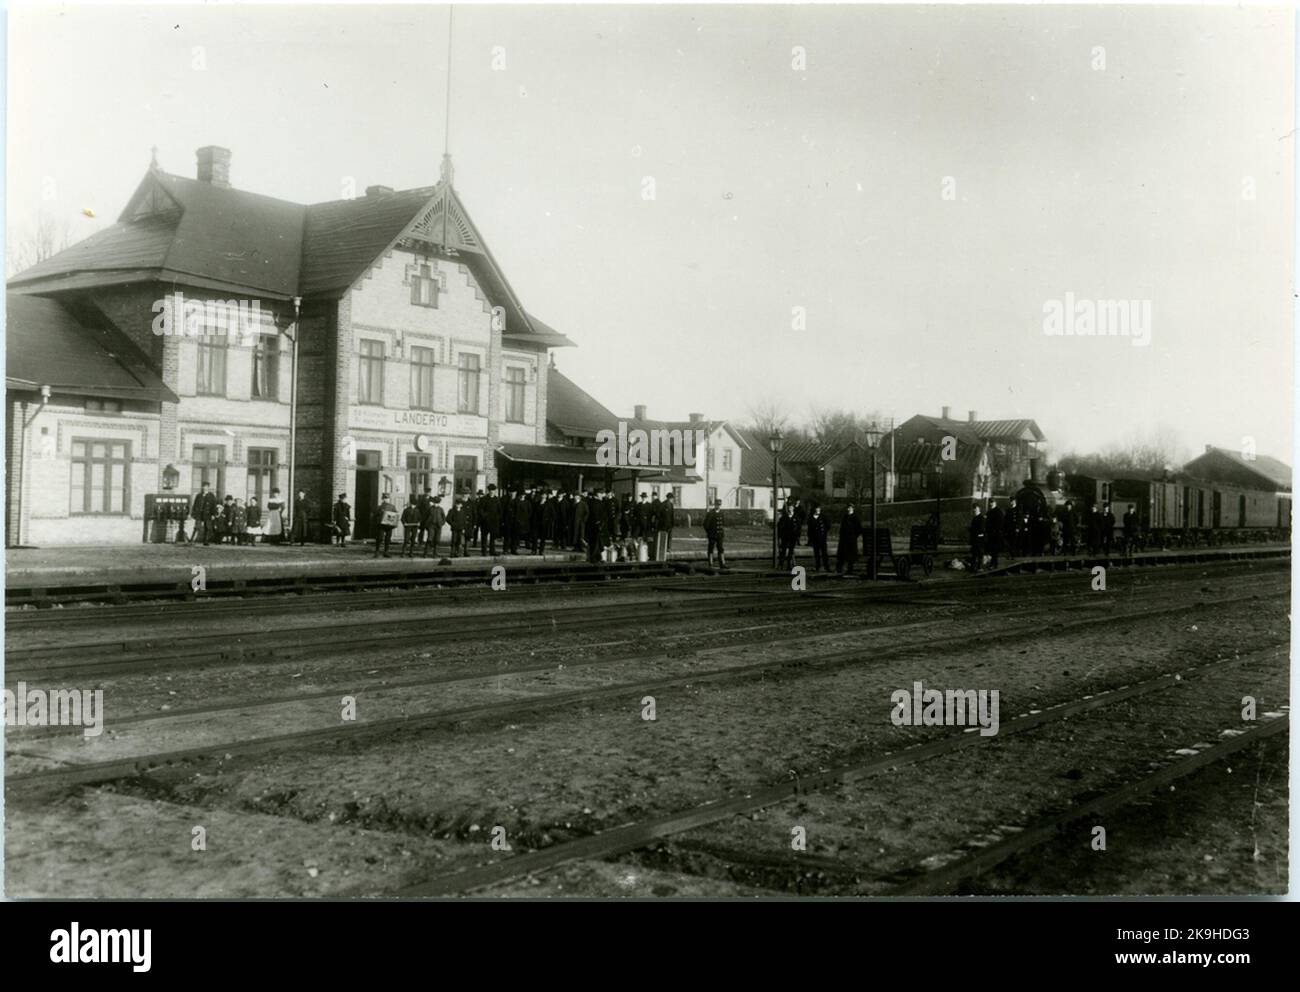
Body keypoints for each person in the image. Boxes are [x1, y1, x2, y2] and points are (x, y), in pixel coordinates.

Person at [836, 504, 862, 575]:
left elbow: (859, 529)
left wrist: (854, 536)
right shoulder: (845, 517)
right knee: (842, 554)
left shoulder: (855, 518)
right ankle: (840, 568)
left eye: (850, 508)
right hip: (844, 538)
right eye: (848, 508)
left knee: (850, 555)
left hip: (851, 539)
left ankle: (849, 569)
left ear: (853, 509)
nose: (848, 509)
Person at [703, 498, 727, 568]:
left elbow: (723, 523)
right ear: (715, 505)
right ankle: (710, 564)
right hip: (712, 535)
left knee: (721, 548)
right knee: (711, 548)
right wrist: (709, 532)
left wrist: (722, 532)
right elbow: (705, 524)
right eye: (717, 505)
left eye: (719, 505)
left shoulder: (721, 513)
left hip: (719, 535)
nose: (718, 506)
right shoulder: (711, 513)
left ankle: (722, 563)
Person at [373, 493, 398, 558]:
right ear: (383, 499)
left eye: (387, 498)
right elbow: (375, 515)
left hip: (389, 525)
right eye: (385, 498)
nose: (386, 499)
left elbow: (395, 515)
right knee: (380, 538)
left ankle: (386, 552)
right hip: (381, 525)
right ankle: (377, 551)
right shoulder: (379, 507)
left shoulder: (392, 507)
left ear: (389, 499)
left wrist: (394, 523)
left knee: (388, 539)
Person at [479, 484, 501, 556]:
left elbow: (499, 510)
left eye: (493, 490)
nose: (492, 492)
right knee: (484, 537)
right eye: (490, 490)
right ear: (488, 491)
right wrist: (485, 517)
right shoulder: (484, 499)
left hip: (494, 521)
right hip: (485, 522)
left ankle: (492, 551)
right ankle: (484, 551)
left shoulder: (497, 500)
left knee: (493, 537)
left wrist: (497, 518)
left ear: (495, 491)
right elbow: (480, 510)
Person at [807, 504, 830, 571]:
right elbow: (809, 529)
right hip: (815, 539)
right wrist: (810, 538)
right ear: (814, 510)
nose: (818, 511)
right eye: (817, 509)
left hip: (822, 538)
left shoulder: (823, 517)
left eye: (819, 509)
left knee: (824, 553)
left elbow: (828, 525)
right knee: (816, 554)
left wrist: (824, 532)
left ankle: (827, 567)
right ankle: (817, 567)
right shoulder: (811, 518)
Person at [777, 504, 798, 569]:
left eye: (791, 508)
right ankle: (781, 565)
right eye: (789, 508)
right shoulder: (784, 517)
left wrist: (797, 535)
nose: (790, 509)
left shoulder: (796, 517)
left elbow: (798, 527)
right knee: (783, 551)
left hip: (793, 537)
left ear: (793, 508)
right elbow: (779, 526)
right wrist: (781, 535)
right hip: (785, 537)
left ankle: (789, 565)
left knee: (791, 551)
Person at [986, 499, 1004, 569]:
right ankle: (992, 563)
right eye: (990, 503)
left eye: (992, 503)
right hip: (990, 534)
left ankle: (994, 564)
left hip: (996, 534)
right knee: (992, 550)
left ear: (995, 503)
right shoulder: (989, 512)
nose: (991, 504)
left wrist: (995, 530)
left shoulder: (999, 512)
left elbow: (1000, 523)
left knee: (995, 550)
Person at [969, 504, 986, 572]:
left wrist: (973, 530)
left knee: (979, 554)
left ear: (979, 509)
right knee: (974, 554)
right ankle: (974, 567)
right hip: (975, 539)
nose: (974, 510)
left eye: (975, 508)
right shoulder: (975, 518)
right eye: (974, 509)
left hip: (979, 539)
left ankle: (979, 567)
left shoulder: (981, 518)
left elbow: (981, 529)